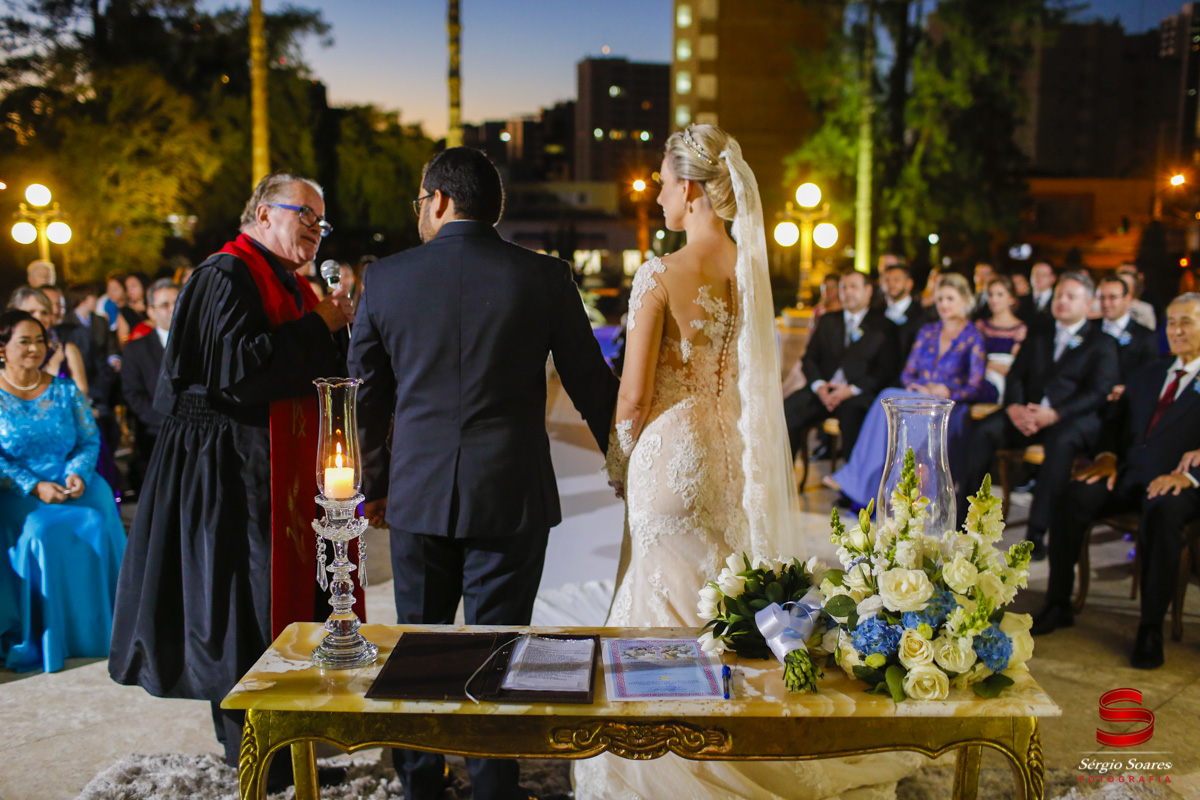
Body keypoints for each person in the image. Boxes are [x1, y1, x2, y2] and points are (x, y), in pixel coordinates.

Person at [573, 124, 918, 800]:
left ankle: (663, 756)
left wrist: (620, 457)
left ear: (694, 190)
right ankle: (724, 735)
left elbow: (634, 392)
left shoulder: (661, 272)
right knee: (717, 595)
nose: (660, 193)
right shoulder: (750, 269)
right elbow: (754, 377)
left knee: (663, 597)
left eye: (666, 182)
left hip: (672, 449)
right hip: (729, 448)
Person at [348, 147, 618, 800]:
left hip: (417, 496)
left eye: (419, 201)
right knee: (501, 655)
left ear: (438, 200)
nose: (419, 212)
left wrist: (376, 486)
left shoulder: (386, 280)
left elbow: (365, 397)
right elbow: (591, 381)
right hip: (511, 496)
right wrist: (629, 458)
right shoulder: (545, 277)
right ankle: (496, 787)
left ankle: (422, 784)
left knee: (420, 658)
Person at [108, 172, 353, 790]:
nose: (316, 231)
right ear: (265, 214)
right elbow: (237, 373)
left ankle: (280, 737)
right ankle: (251, 755)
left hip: (268, 465)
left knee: (270, 605)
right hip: (225, 471)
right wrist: (319, 324)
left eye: (322, 222)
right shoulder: (224, 275)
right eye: (306, 215)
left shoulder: (282, 281)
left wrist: (329, 327)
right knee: (239, 608)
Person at [1032, 293, 1200, 669]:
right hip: (1128, 474)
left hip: (1182, 483)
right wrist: (1107, 457)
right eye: (1171, 322)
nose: (1176, 330)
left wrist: (1189, 475)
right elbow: (1113, 421)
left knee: (1163, 512)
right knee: (1074, 494)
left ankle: (1150, 628)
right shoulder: (1151, 372)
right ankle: (1057, 602)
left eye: (1186, 321)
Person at [955, 271, 1119, 559]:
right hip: (1026, 414)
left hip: (1068, 420)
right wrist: (1016, 407)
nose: (1062, 302)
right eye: (1059, 296)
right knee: (984, 431)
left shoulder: (1102, 342)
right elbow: (1017, 374)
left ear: (1089, 303)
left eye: (1071, 297)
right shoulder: (1040, 331)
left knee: (1060, 444)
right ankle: (962, 522)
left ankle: (1036, 534)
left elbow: (1098, 391)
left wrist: (1055, 414)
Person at [0, 310, 125, 673]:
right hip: (16, 491)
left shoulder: (64, 389)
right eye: (24, 341)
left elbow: (89, 440)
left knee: (97, 521)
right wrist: (33, 485)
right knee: (44, 532)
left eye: (40, 341)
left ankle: (108, 627)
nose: (35, 349)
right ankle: (43, 632)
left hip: (74, 482)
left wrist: (78, 474)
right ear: (3, 348)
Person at [825, 273, 988, 507]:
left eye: (950, 298)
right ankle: (864, 482)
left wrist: (947, 390)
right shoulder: (928, 331)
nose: (943, 304)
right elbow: (907, 372)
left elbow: (975, 385)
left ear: (965, 301)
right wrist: (916, 385)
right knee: (888, 395)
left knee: (893, 400)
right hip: (917, 396)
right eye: (940, 298)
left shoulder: (973, 337)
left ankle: (901, 496)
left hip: (946, 405)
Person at [784, 269, 899, 457]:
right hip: (824, 391)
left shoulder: (884, 326)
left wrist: (850, 390)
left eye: (854, 287)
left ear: (868, 291)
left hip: (857, 395)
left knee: (852, 416)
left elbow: (886, 370)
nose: (847, 292)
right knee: (789, 409)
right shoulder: (829, 320)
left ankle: (849, 482)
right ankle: (785, 473)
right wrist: (819, 386)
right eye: (843, 287)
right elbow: (809, 358)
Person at [120, 279, 178, 494]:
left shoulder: (203, 345)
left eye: (178, 301)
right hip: (156, 434)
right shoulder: (136, 350)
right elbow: (133, 394)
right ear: (151, 311)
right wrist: (168, 419)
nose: (173, 309)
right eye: (165, 305)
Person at [8, 286, 88, 396]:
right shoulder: (6, 351)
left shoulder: (67, 350)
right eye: (32, 312)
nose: (39, 317)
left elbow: (81, 396)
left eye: (44, 312)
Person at [1097, 276, 1158, 402]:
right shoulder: (1090, 328)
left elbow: (1151, 375)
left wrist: (1129, 388)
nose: (1106, 303)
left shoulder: (1145, 336)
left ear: (1127, 299)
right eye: (1102, 298)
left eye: (1112, 297)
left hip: (1126, 405)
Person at [974, 275, 1028, 402]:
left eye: (999, 295)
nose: (994, 299)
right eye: (991, 295)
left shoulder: (1020, 329)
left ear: (1011, 299)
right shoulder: (980, 326)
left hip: (1001, 382)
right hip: (977, 375)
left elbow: (1015, 369)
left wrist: (989, 364)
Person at [880, 262, 931, 361]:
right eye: (887, 280)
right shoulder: (876, 311)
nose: (891, 284)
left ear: (909, 284)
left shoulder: (922, 315)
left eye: (896, 280)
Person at [1116, 262, 1156, 330]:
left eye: (1127, 285)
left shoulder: (1145, 309)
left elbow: (1150, 332)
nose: (1124, 289)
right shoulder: (1107, 305)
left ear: (1134, 287)